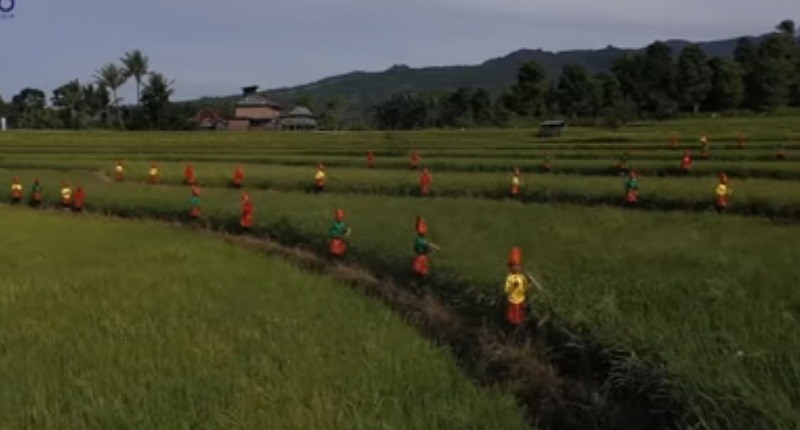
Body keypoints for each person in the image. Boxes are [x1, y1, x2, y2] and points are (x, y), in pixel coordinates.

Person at [504, 247, 532, 327]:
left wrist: (529, 283)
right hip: (513, 300)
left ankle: (520, 322)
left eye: (518, 265)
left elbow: (525, 287)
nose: (516, 268)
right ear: (510, 267)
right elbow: (507, 289)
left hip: (521, 299)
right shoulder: (509, 278)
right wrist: (513, 287)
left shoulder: (522, 277)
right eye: (514, 266)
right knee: (512, 314)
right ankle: (512, 323)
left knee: (520, 313)